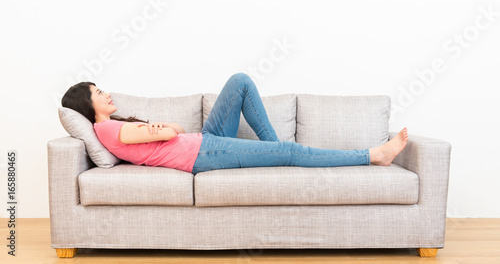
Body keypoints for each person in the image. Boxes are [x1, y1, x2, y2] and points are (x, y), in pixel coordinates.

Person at [61, 72, 408, 175]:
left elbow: (171, 132)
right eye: (98, 92)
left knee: (240, 82)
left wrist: (169, 130)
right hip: (202, 154)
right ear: (86, 105)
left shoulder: (114, 125)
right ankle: (373, 155)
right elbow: (168, 131)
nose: (106, 94)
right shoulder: (104, 129)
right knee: (290, 151)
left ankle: (278, 152)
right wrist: (167, 128)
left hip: (203, 140)